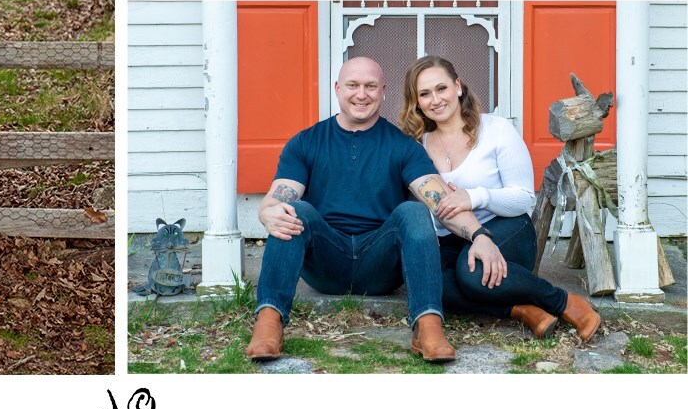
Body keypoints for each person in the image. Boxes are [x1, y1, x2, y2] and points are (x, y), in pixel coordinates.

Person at [246, 57, 510, 364]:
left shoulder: (403, 146)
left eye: (370, 86)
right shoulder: (306, 142)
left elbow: (440, 200)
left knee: (413, 211)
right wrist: (266, 210)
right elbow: (279, 196)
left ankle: (428, 327)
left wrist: (479, 234)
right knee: (293, 210)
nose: (362, 94)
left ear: (383, 91)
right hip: (326, 262)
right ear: (337, 89)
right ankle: (269, 322)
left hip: (380, 264)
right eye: (353, 85)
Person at [399, 55, 601, 341]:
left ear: (458, 86)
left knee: (469, 275)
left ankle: (564, 302)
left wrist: (475, 196)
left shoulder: (496, 130)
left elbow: (522, 199)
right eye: (425, 94)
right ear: (416, 101)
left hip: (506, 229)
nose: (435, 100)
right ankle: (520, 309)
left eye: (441, 88)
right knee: (428, 285)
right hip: (451, 238)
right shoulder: (416, 146)